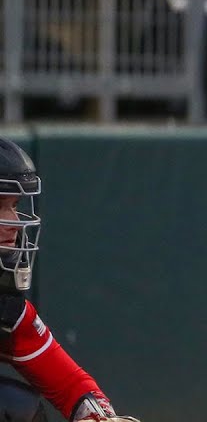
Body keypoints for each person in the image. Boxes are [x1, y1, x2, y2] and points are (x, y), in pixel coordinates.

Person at [0, 138, 138, 422]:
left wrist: (98, 416)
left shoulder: (6, 309)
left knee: (18, 408)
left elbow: (70, 384)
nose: (13, 221)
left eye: (13, 205)